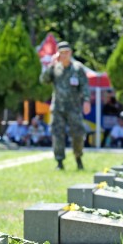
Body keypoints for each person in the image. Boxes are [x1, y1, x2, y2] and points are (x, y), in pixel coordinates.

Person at [39, 41, 90, 170]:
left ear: (70, 53)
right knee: (57, 134)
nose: (64, 55)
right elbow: (43, 80)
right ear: (57, 54)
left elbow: (85, 86)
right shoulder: (55, 68)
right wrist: (51, 64)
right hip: (58, 108)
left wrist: (87, 101)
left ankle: (78, 158)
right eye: (61, 53)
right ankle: (59, 161)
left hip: (74, 107)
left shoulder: (78, 68)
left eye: (66, 52)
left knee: (78, 133)